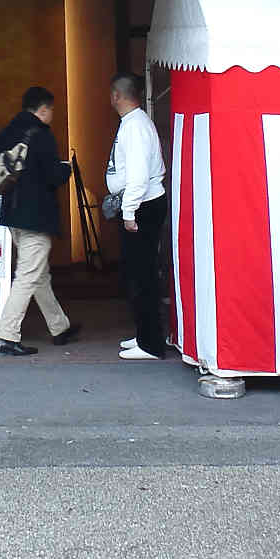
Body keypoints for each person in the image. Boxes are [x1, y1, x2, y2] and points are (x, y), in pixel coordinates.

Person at [0, 86, 78, 355]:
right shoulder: (41, 136)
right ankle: (7, 335)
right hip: (35, 216)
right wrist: (67, 169)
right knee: (28, 275)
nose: (52, 114)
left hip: (13, 213)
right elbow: (52, 175)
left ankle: (59, 326)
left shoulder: (9, 132)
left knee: (38, 274)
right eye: (51, 109)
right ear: (43, 109)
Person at [107, 72, 169, 362]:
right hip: (142, 203)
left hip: (143, 205)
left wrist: (129, 211)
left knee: (142, 276)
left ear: (117, 96)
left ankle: (151, 343)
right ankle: (145, 335)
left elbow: (138, 176)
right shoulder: (135, 124)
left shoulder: (134, 127)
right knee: (138, 273)